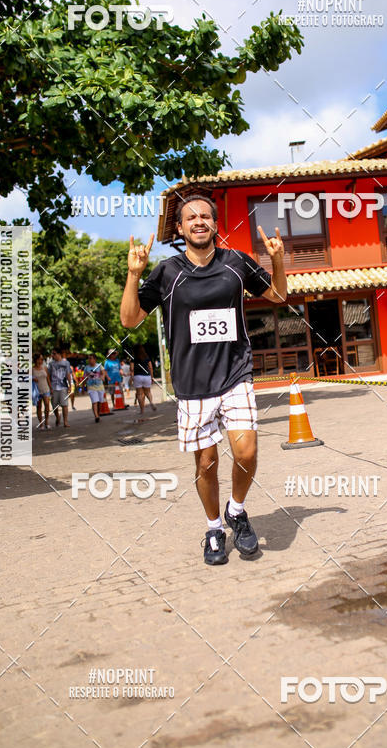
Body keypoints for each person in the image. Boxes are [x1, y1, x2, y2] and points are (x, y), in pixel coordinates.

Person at [120, 194, 286, 566]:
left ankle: (236, 511)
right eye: (191, 217)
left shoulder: (236, 263)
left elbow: (278, 295)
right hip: (192, 385)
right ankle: (214, 528)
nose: (199, 221)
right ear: (180, 228)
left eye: (206, 216)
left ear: (215, 224)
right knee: (206, 463)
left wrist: (276, 261)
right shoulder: (167, 272)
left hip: (235, 373)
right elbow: (129, 319)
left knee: (247, 452)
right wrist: (133, 275)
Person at [129, 345, 156, 420]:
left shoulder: (133, 359)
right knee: (148, 392)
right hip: (147, 376)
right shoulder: (146, 357)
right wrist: (152, 377)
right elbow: (150, 367)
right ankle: (151, 402)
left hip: (137, 376)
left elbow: (132, 369)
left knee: (140, 394)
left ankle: (142, 410)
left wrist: (131, 378)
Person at [48, 347, 73, 428]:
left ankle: (65, 421)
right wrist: (50, 387)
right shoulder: (51, 364)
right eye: (52, 354)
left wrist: (70, 385)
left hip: (63, 386)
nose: (53, 355)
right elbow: (48, 376)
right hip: (54, 386)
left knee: (64, 404)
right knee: (54, 405)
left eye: (54, 353)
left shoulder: (66, 363)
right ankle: (58, 417)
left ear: (59, 354)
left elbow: (68, 374)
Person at [82, 354, 107, 422]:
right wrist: (83, 388)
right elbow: (84, 378)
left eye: (91, 358)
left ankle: (98, 414)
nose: (89, 360)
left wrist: (103, 376)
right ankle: (96, 416)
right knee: (94, 401)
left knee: (100, 402)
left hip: (100, 386)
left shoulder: (99, 366)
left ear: (95, 359)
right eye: (88, 358)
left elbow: (103, 372)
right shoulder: (86, 368)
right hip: (91, 387)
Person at [32, 353, 52, 429]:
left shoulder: (44, 368)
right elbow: (27, 378)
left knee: (47, 404)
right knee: (39, 407)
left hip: (46, 389)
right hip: (37, 391)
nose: (42, 360)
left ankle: (46, 422)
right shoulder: (32, 369)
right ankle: (41, 423)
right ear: (36, 360)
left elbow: (48, 378)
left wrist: (51, 388)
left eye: (42, 359)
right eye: (40, 359)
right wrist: (32, 379)